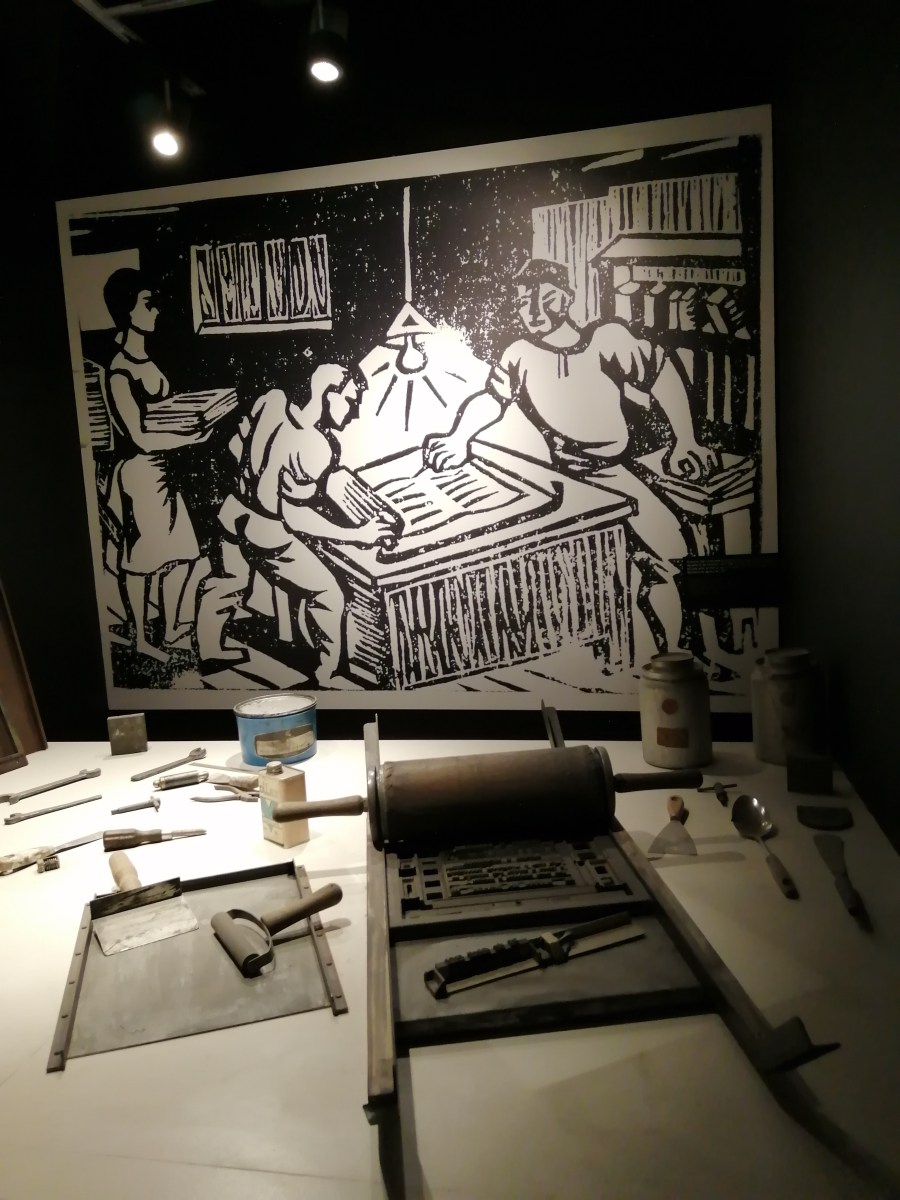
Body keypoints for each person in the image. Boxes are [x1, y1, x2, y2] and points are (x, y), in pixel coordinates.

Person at [423, 258, 720, 658]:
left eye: (545, 299)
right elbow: (491, 400)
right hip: (564, 481)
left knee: (673, 550)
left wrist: (686, 439)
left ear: (566, 298)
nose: (534, 311)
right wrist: (458, 437)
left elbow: (662, 371)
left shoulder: (607, 339)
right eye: (524, 301)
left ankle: (680, 655)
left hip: (612, 472)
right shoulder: (519, 354)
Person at [205, 364, 393, 686]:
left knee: (228, 582)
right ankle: (327, 674)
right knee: (329, 595)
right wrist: (356, 535)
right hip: (267, 533)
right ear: (328, 394)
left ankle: (209, 648)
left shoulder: (273, 401)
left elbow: (236, 446)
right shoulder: (315, 445)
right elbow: (295, 516)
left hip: (233, 512)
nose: (355, 412)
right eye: (351, 401)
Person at [102, 267, 208, 663]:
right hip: (141, 474)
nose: (156, 310)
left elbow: (164, 415)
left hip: (165, 470)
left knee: (183, 553)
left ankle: (170, 629)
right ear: (127, 310)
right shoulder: (119, 370)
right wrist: (192, 436)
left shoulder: (147, 359)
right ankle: (141, 638)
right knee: (141, 562)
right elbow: (140, 436)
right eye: (148, 303)